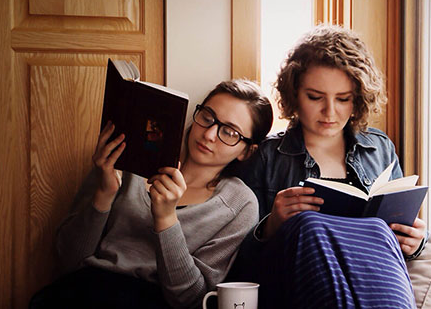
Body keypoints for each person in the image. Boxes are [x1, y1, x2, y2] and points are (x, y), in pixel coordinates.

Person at [228, 25, 428, 309]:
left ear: (357, 98)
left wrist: (416, 241)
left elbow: (398, 239)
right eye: (315, 97)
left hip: (371, 284)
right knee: (309, 226)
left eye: (343, 99)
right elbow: (236, 263)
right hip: (296, 287)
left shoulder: (379, 148)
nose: (330, 112)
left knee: (378, 231)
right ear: (294, 94)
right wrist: (270, 226)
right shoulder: (267, 156)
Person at [30, 80, 273, 309]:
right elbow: (68, 261)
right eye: (207, 117)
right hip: (85, 290)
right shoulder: (128, 162)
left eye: (229, 132)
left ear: (246, 151)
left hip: (153, 300)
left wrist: (166, 219)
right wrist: (105, 192)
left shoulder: (239, 204)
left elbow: (190, 298)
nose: (209, 134)